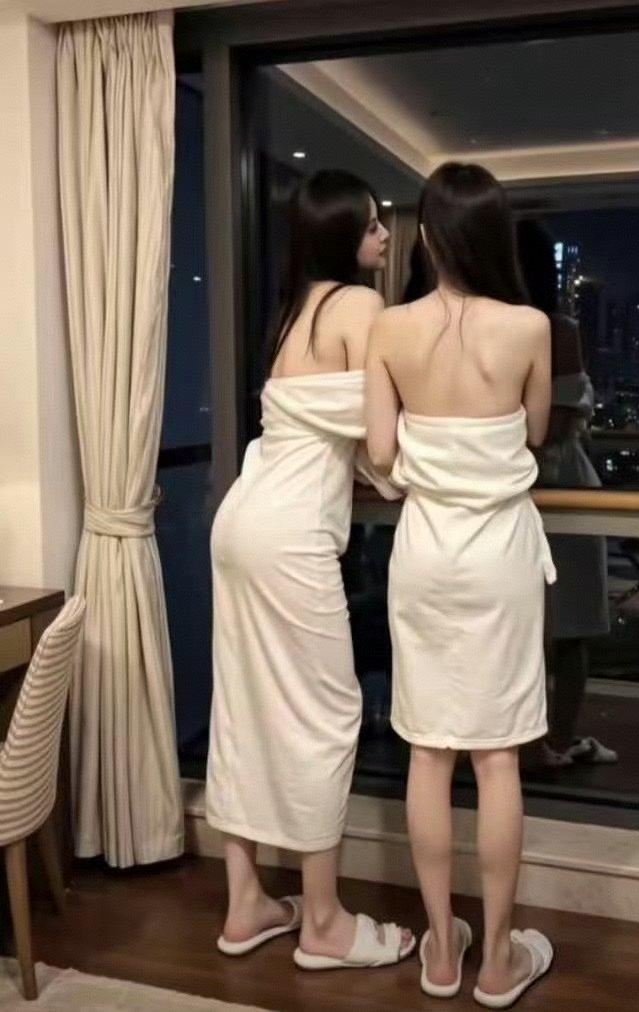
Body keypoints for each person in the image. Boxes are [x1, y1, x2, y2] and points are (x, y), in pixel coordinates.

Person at [207, 170, 414, 971]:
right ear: (339, 235)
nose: (384, 235)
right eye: (370, 225)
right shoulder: (360, 307)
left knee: (246, 708)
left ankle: (246, 904)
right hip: (291, 535)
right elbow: (382, 445)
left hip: (242, 521)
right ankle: (322, 920)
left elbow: (323, 427)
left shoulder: (292, 311)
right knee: (326, 714)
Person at [367, 163, 555, 1007]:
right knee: (498, 755)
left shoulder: (390, 327)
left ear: (431, 238)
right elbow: (537, 431)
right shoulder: (529, 326)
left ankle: (442, 951)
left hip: (425, 553)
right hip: (499, 555)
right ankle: (499, 961)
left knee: (429, 751)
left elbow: (380, 453)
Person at [516, 219, 615, 769]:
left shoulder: (516, 329)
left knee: (547, 623)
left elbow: (553, 422)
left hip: (526, 486)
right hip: (556, 488)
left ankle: (545, 739)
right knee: (565, 623)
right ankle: (552, 739)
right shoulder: (554, 328)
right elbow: (561, 419)